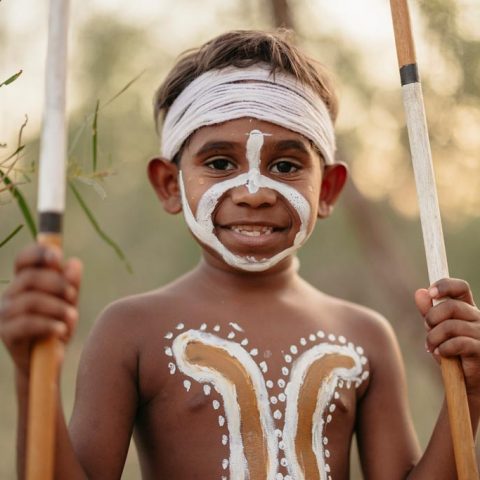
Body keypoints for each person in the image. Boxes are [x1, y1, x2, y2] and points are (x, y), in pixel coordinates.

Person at [1, 30, 480, 480]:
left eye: (286, 165)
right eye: (220, 163)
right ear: (170, 185)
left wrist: (471, 393)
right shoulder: (131, 330)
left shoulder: (365, 336)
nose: (254, 192)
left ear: (328, 189)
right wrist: (31, 373)